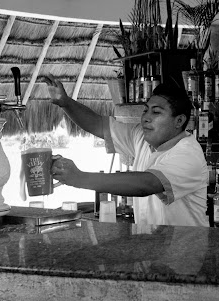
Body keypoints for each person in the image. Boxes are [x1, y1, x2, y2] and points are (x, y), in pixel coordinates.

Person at [45, 75, 208, 227]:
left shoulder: (188, 154)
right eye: (146, 110)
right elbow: (97, 124)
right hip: (153, 244)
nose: (146, 117)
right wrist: (65, 103)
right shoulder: (142, 137)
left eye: (156, 112)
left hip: (185, 247)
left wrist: (79, 178)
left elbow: (146, 184)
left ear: (179, 121)